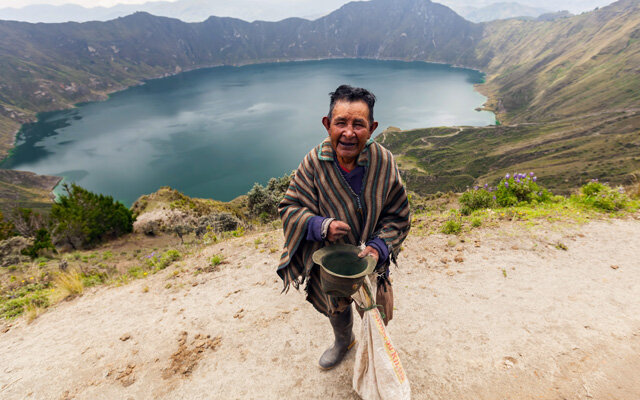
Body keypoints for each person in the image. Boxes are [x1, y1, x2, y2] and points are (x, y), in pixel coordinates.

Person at [277, 84, 411, 369]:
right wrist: (320, 225)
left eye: (358, 125)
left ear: (372, 128)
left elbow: (398, 213)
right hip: (334, 257)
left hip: (373, 255)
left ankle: (375, 344)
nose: (349, 133)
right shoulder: (313, 163)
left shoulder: (382, 161)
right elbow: (288, 208)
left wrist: (378, 247)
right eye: (341, 123)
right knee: (336, 304)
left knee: (376, 308)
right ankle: (343, 341)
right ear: (328, 125)